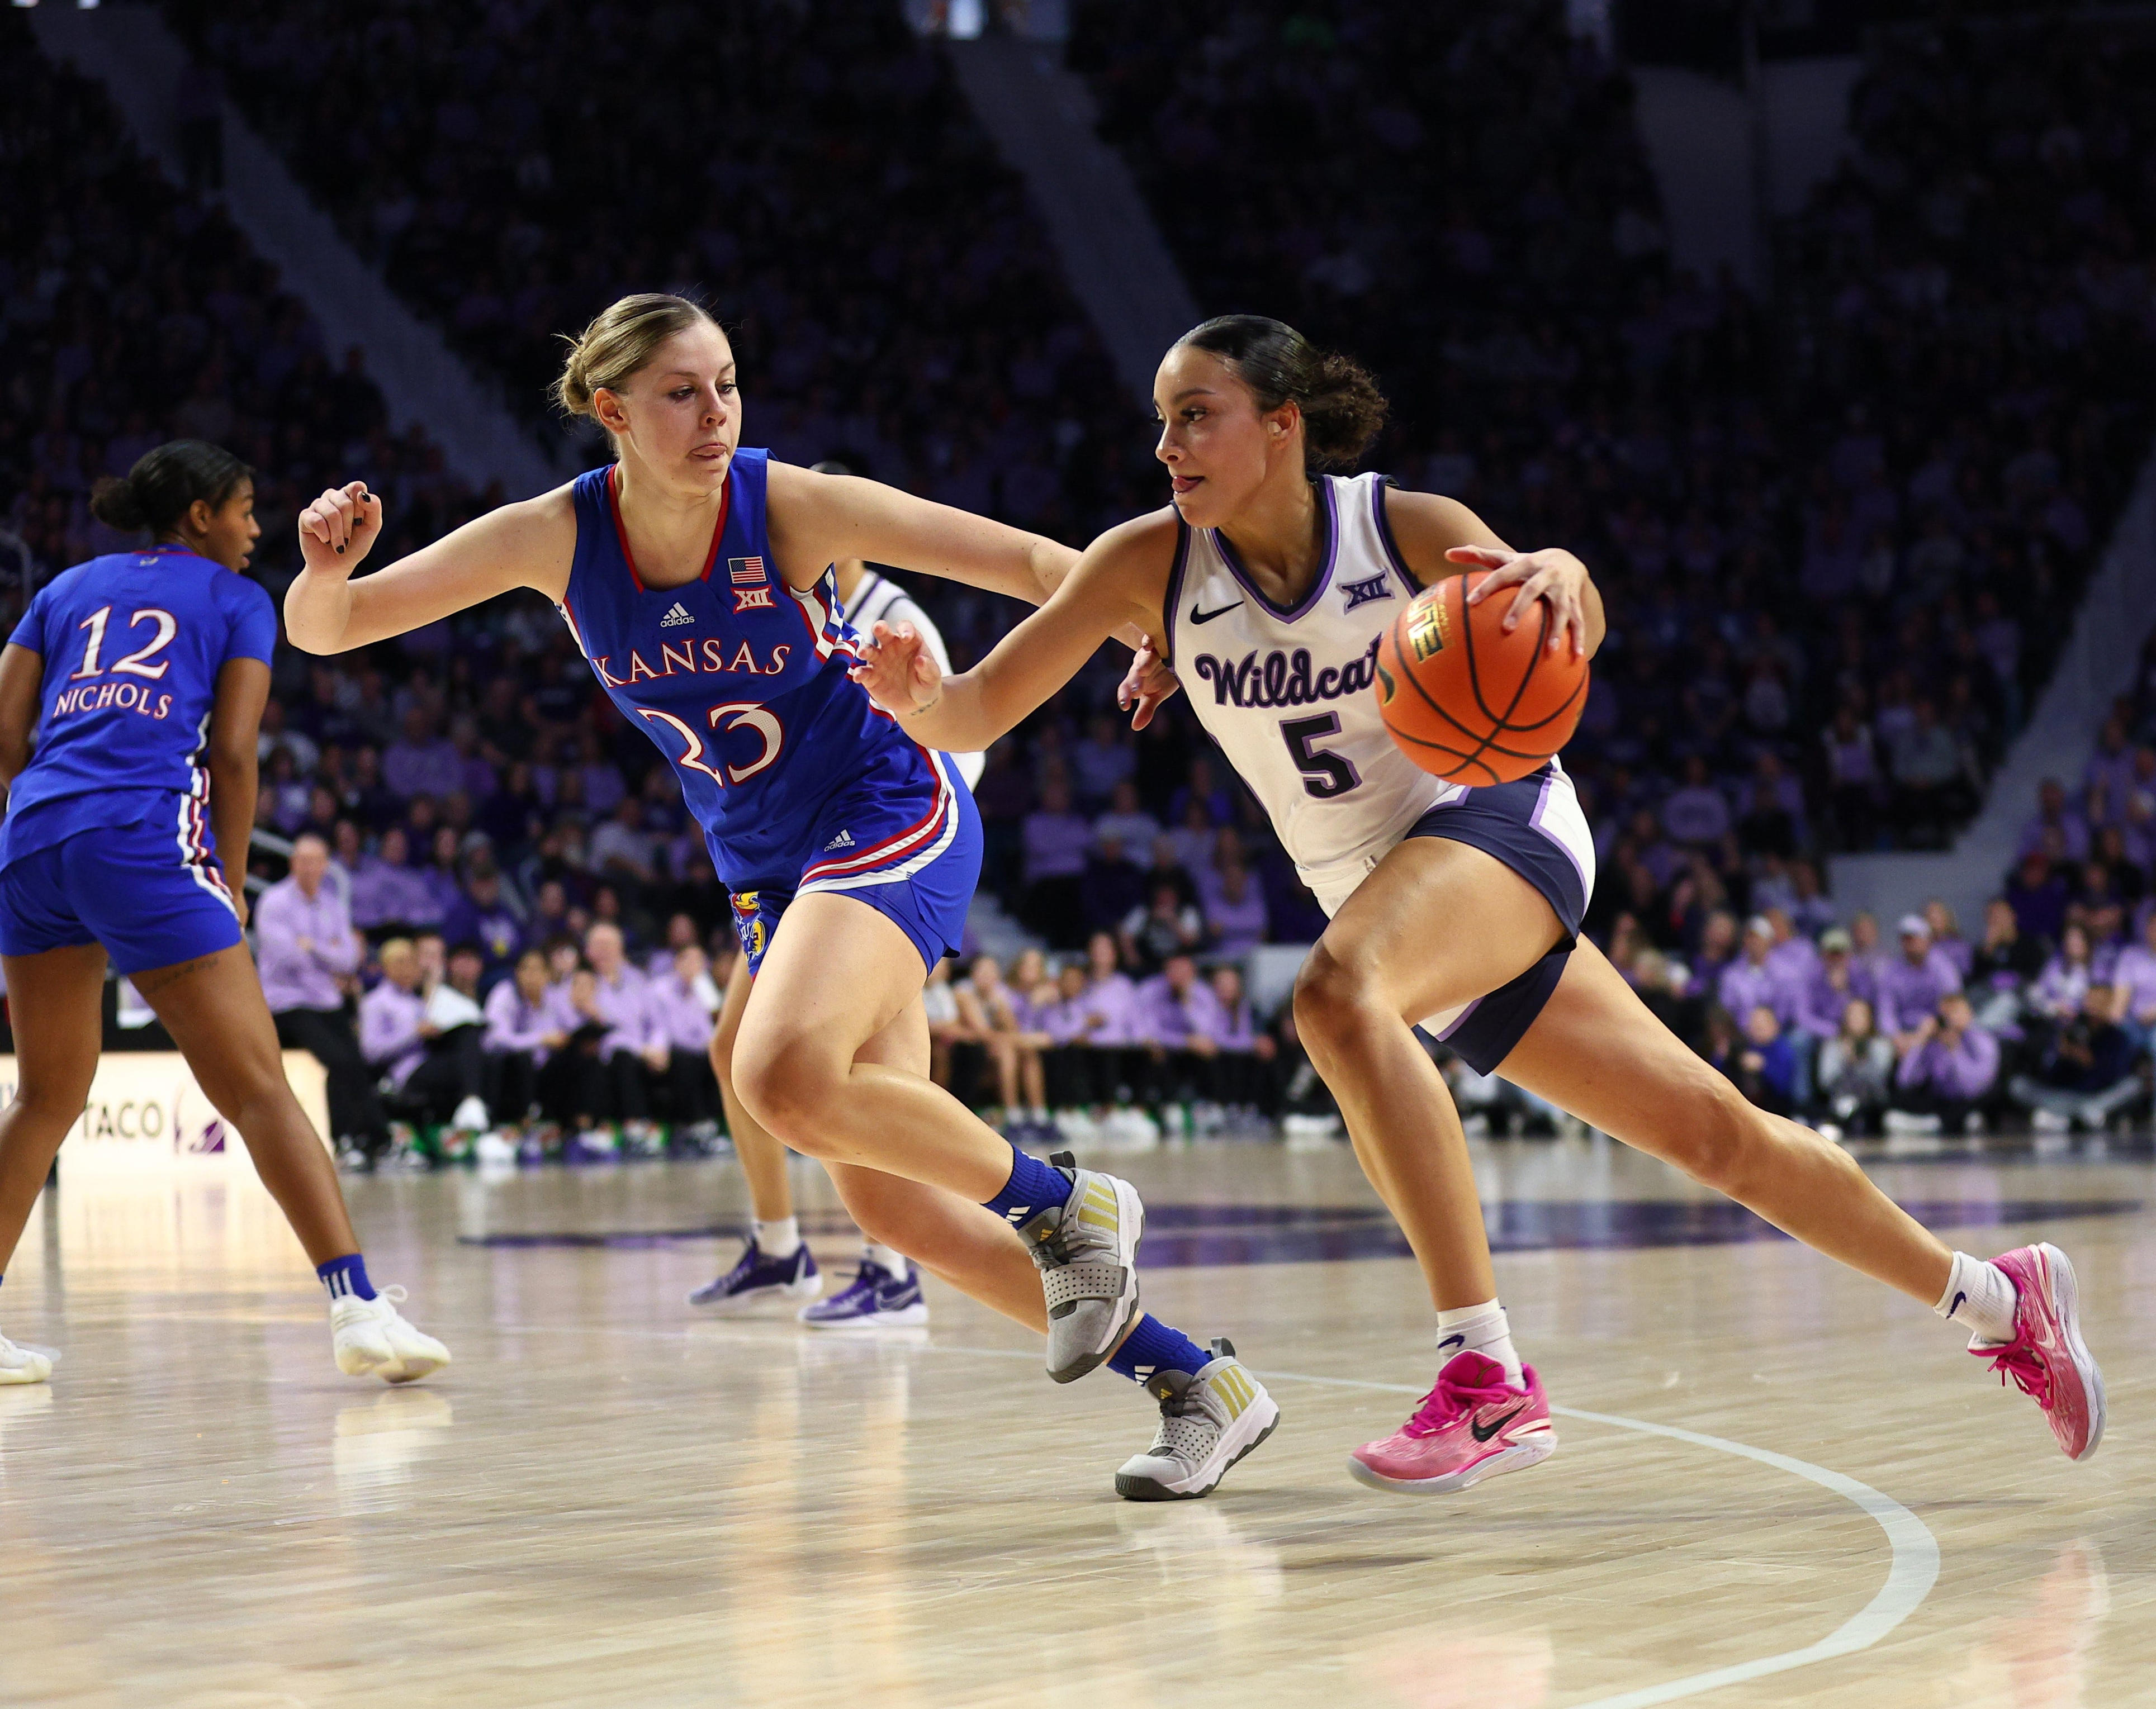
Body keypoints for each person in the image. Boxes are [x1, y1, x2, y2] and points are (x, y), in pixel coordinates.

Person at [854, 312, 2103, 1482]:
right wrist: (917, 689)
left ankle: (1483, 1371)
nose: (1166, 443)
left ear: (1281, 424)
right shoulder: (1146, 564)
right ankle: (1999, 1298)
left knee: (1338, 997)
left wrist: (1562, 568)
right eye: (1160, 418)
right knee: (1713, 1133)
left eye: (1196, 414)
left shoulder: (1393, 527)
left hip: (1495, 822)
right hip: (1385, 891)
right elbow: (975, 708)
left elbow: (1556, 615)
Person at [285, 294, 1274, 1498]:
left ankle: (1069, 1202)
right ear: (612, 411)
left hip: (884, 807)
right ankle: (1195, 1383)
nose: (715, 414)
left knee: (772, 1072)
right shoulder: (556, 535)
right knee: (895, 1209)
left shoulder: (784, 501)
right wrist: (325, 572)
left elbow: (1020, 561)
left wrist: (1147, 627)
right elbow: (333, 631)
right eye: (681, 393)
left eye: (727, 384)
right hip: (771, 869)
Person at [0, 440, 446, 1388]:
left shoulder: (66, 587)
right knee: (256, 1087)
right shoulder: (238, 601)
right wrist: (230, 881)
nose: (254, 530)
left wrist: (42, 816)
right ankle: (360, 1307)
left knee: (44, 1095)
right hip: (141, 834)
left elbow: (5, 735)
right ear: (199, 514)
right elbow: (234, 756)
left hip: (34, 839)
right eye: (245, 509)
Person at [255, 830, 392, 1160]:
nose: (309, 867)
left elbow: (349, 958)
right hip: (287, 1002)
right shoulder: (274, 902)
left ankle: (378, 1142)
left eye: (316, 861)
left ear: (326, 865)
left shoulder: (332, 905)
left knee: (358, 1064)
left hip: (326, 1000)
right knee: (339, 1061)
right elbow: (288, 956)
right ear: (292, 863)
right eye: (303, 860)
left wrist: (313, 946)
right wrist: (326, 952)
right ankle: (343, 1140)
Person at [1816, 997, 1894, 1138]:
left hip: (1873, 1107)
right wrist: (1845, 1062)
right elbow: (1825, 1082)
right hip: (1840, 1100)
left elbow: (1880, 1081)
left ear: (1870, 1019)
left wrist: (1858, 1063)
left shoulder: (1882, 1045)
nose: (1857, 1020)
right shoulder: (1833, 1046)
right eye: (1853, 1015)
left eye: (1862, 1015)